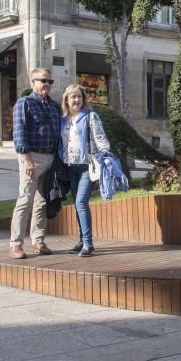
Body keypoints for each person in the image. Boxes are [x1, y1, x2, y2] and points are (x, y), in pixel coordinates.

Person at [10, 67, 61, 260]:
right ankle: (15, 244)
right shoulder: (25, 103)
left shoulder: (54, 107)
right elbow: (19, 133)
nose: (46, 84)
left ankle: (38, 240)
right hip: (32, 158)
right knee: (25, 201)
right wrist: (26, 159)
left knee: (41, 202)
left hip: (50, 158)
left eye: (49, 81)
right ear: (33, 82)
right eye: (42, 80)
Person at [59, 84, 110, 257]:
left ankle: (88, 243)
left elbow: (101, 138)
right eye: (73, 97)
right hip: (70, 167)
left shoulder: (90, 117)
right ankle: (82, 240)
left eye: (79, 96)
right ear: (66, 99)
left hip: (87, 166)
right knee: (77, 204)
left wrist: (105, 156)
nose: (76, 100)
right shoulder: (64, 119)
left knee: (81, 203)